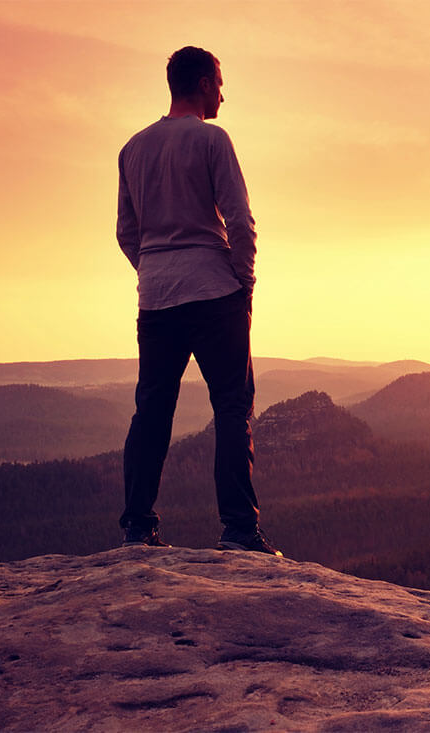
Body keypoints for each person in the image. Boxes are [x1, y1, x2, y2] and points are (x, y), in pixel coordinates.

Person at [116, 46, 280, 556]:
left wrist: (154, 269)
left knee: (152, 410)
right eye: (220, 83)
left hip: (157, 298)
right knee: (232, 408)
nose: (224, 95)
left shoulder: (133, 149)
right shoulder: (212, 140)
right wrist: (243, 283)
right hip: (215, 292)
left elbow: (127, 232)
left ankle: (138, 529)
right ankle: (238, 531)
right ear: (205, 83)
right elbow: (240, 220)